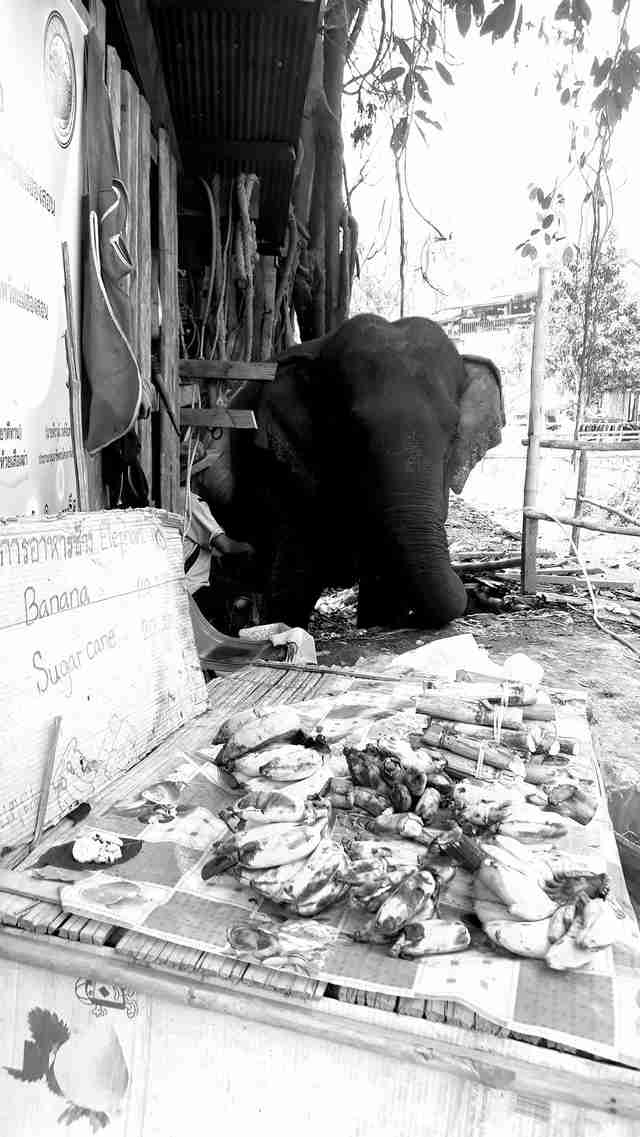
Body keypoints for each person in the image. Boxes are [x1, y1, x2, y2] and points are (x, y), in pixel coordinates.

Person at [178, 478, 254, 624]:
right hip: (192, 590)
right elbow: (225, 546)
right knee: (243, 596)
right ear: (200, 476)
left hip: (183, 585)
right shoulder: (192, 501)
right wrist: (248, 547)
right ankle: (235, 637)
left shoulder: (175, 496)